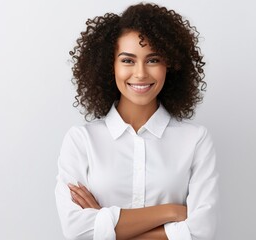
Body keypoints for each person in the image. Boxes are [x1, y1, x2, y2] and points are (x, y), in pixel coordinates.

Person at [55, 3, 218, 240]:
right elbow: (77, 231)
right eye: (127, 60)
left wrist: (105, 226)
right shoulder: (81, 141)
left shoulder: (195, 140)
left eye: (153, 60)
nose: (140, 73)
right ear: (109, 66)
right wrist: (171, 212)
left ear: (169, 65)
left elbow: (201, 232)